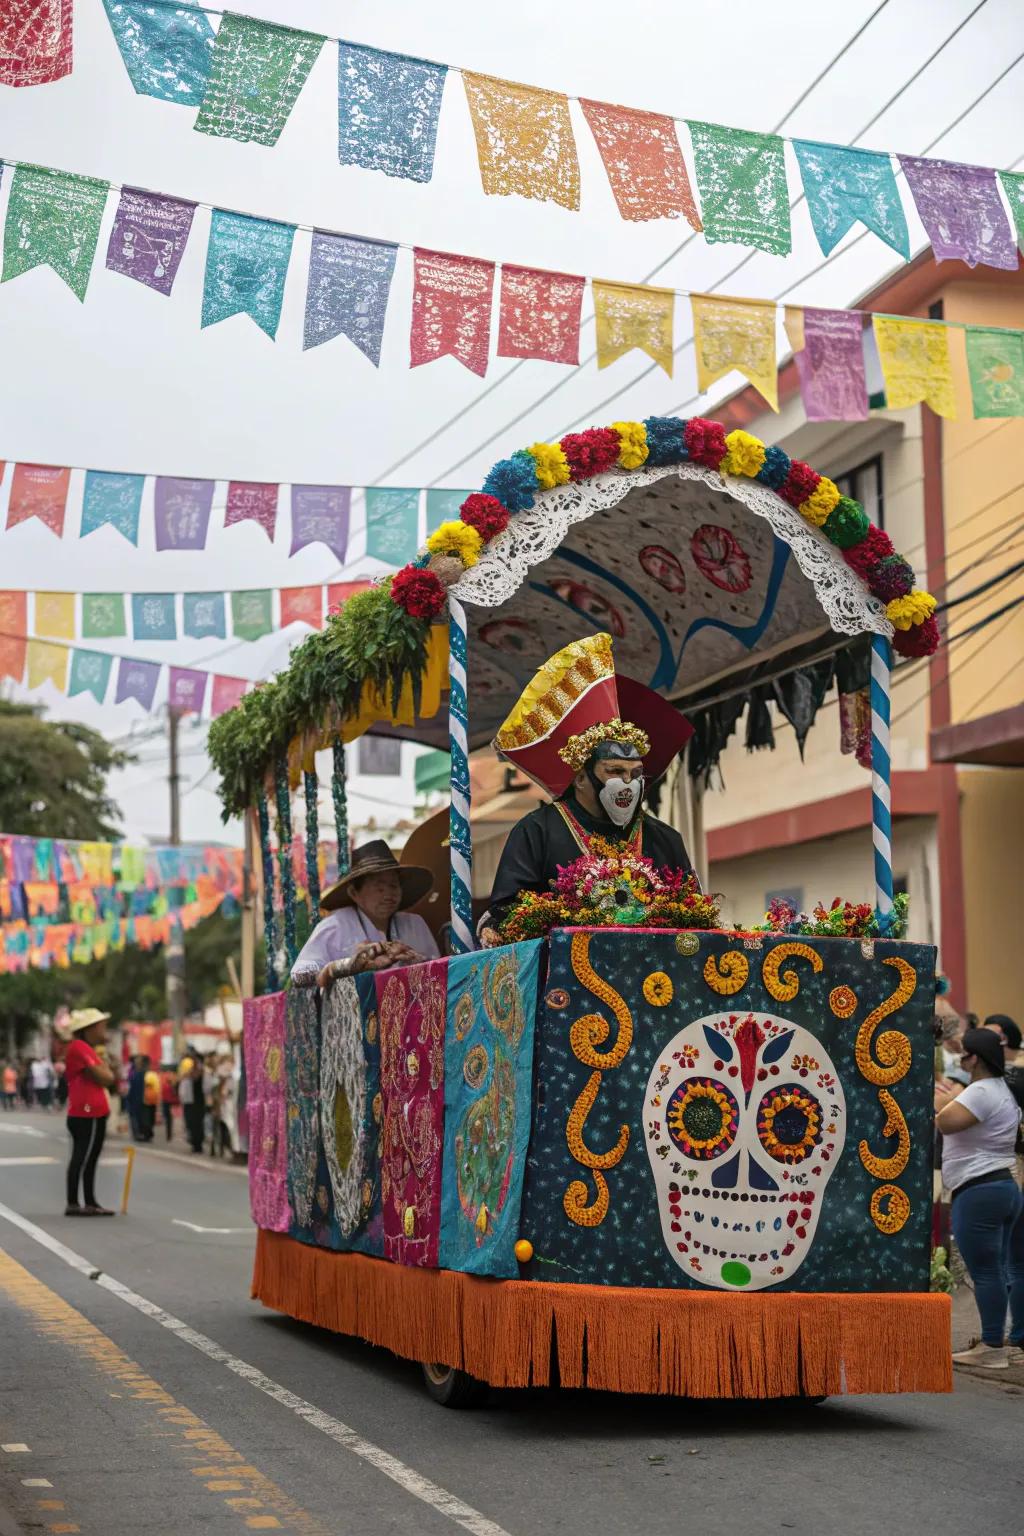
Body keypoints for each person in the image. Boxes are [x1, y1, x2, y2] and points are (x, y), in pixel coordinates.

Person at [483, 633, 694, 936]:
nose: (628, 783)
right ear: (581, 777)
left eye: (636, 773)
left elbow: (694, 915)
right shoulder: (538, 831)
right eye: (615, 771)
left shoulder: (665, 839)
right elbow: (507, 913)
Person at [936, 1027, 1024, 1369]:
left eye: (965, 1054)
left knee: (986, 1271)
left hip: (979, 1189)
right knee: (999, 1269)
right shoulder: (1001, 1089)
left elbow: (945, 1121)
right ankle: (999, 1341)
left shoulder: (981, 1091)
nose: (960, 1059)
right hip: (1002, 1186)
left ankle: (991, 1346)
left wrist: (940, 1095)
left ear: (975, 1059)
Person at [290, 839, 438, 989]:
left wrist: (416, 960)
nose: (388, 894)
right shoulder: (335, 926)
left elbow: (438, 972)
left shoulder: (415, 924)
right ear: (354, 893)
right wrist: (342, 967)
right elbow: (298, 975)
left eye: (394, 885)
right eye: (379, 887)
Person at [63, 1008, 117, 1216]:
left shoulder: (90, 1049)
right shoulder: (80, 1047)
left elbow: (109, 1074)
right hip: (87, 1111)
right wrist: (104, 1070)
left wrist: (104, 1069)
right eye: (101, 1026)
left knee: (90, 1157)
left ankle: (90, 1201)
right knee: (82, 1156)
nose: (104, 1030)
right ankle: (74, 1202)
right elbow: (106, 1078)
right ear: (89, 1029)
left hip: (93, 1110)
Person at [141, 1059, 160, 1141]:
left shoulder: (148, 1075)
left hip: (147, 1100)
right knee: (151, 1117)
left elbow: (147, 1084)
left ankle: (148, 1134)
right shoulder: (155, 1075)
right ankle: (150, 1133)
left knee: (147, 1118)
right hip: (154, 1099)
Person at [159, 1065, 177, 1142]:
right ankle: (169, 1135)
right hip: (169, 1102)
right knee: (169, 1119)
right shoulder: (171, 1081)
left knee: (168, 1119)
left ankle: (169, 1135)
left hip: (166, 1102)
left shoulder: (164, 1080)